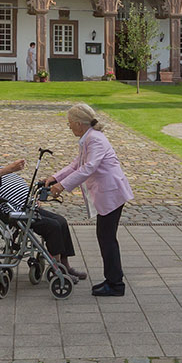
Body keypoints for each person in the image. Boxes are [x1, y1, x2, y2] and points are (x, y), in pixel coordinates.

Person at [42, 103, 134, 297]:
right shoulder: (89, 138)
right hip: (107, 193)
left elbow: (89, 167)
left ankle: (115, 284)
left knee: (107, 239)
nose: (69, 127)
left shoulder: (95, 140)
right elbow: (77, 164)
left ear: (78, 123)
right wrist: (56, 178)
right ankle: (113, 280)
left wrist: (62, 186)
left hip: (112, 193)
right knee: (106, 238)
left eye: (69, 123)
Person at [0, 139, 85, 280]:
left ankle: (65, 265)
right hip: (12, 212)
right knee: (52, 226)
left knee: (61, 221)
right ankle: (57, 269)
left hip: (27, 207)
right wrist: (10, 168)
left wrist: (33, 199)